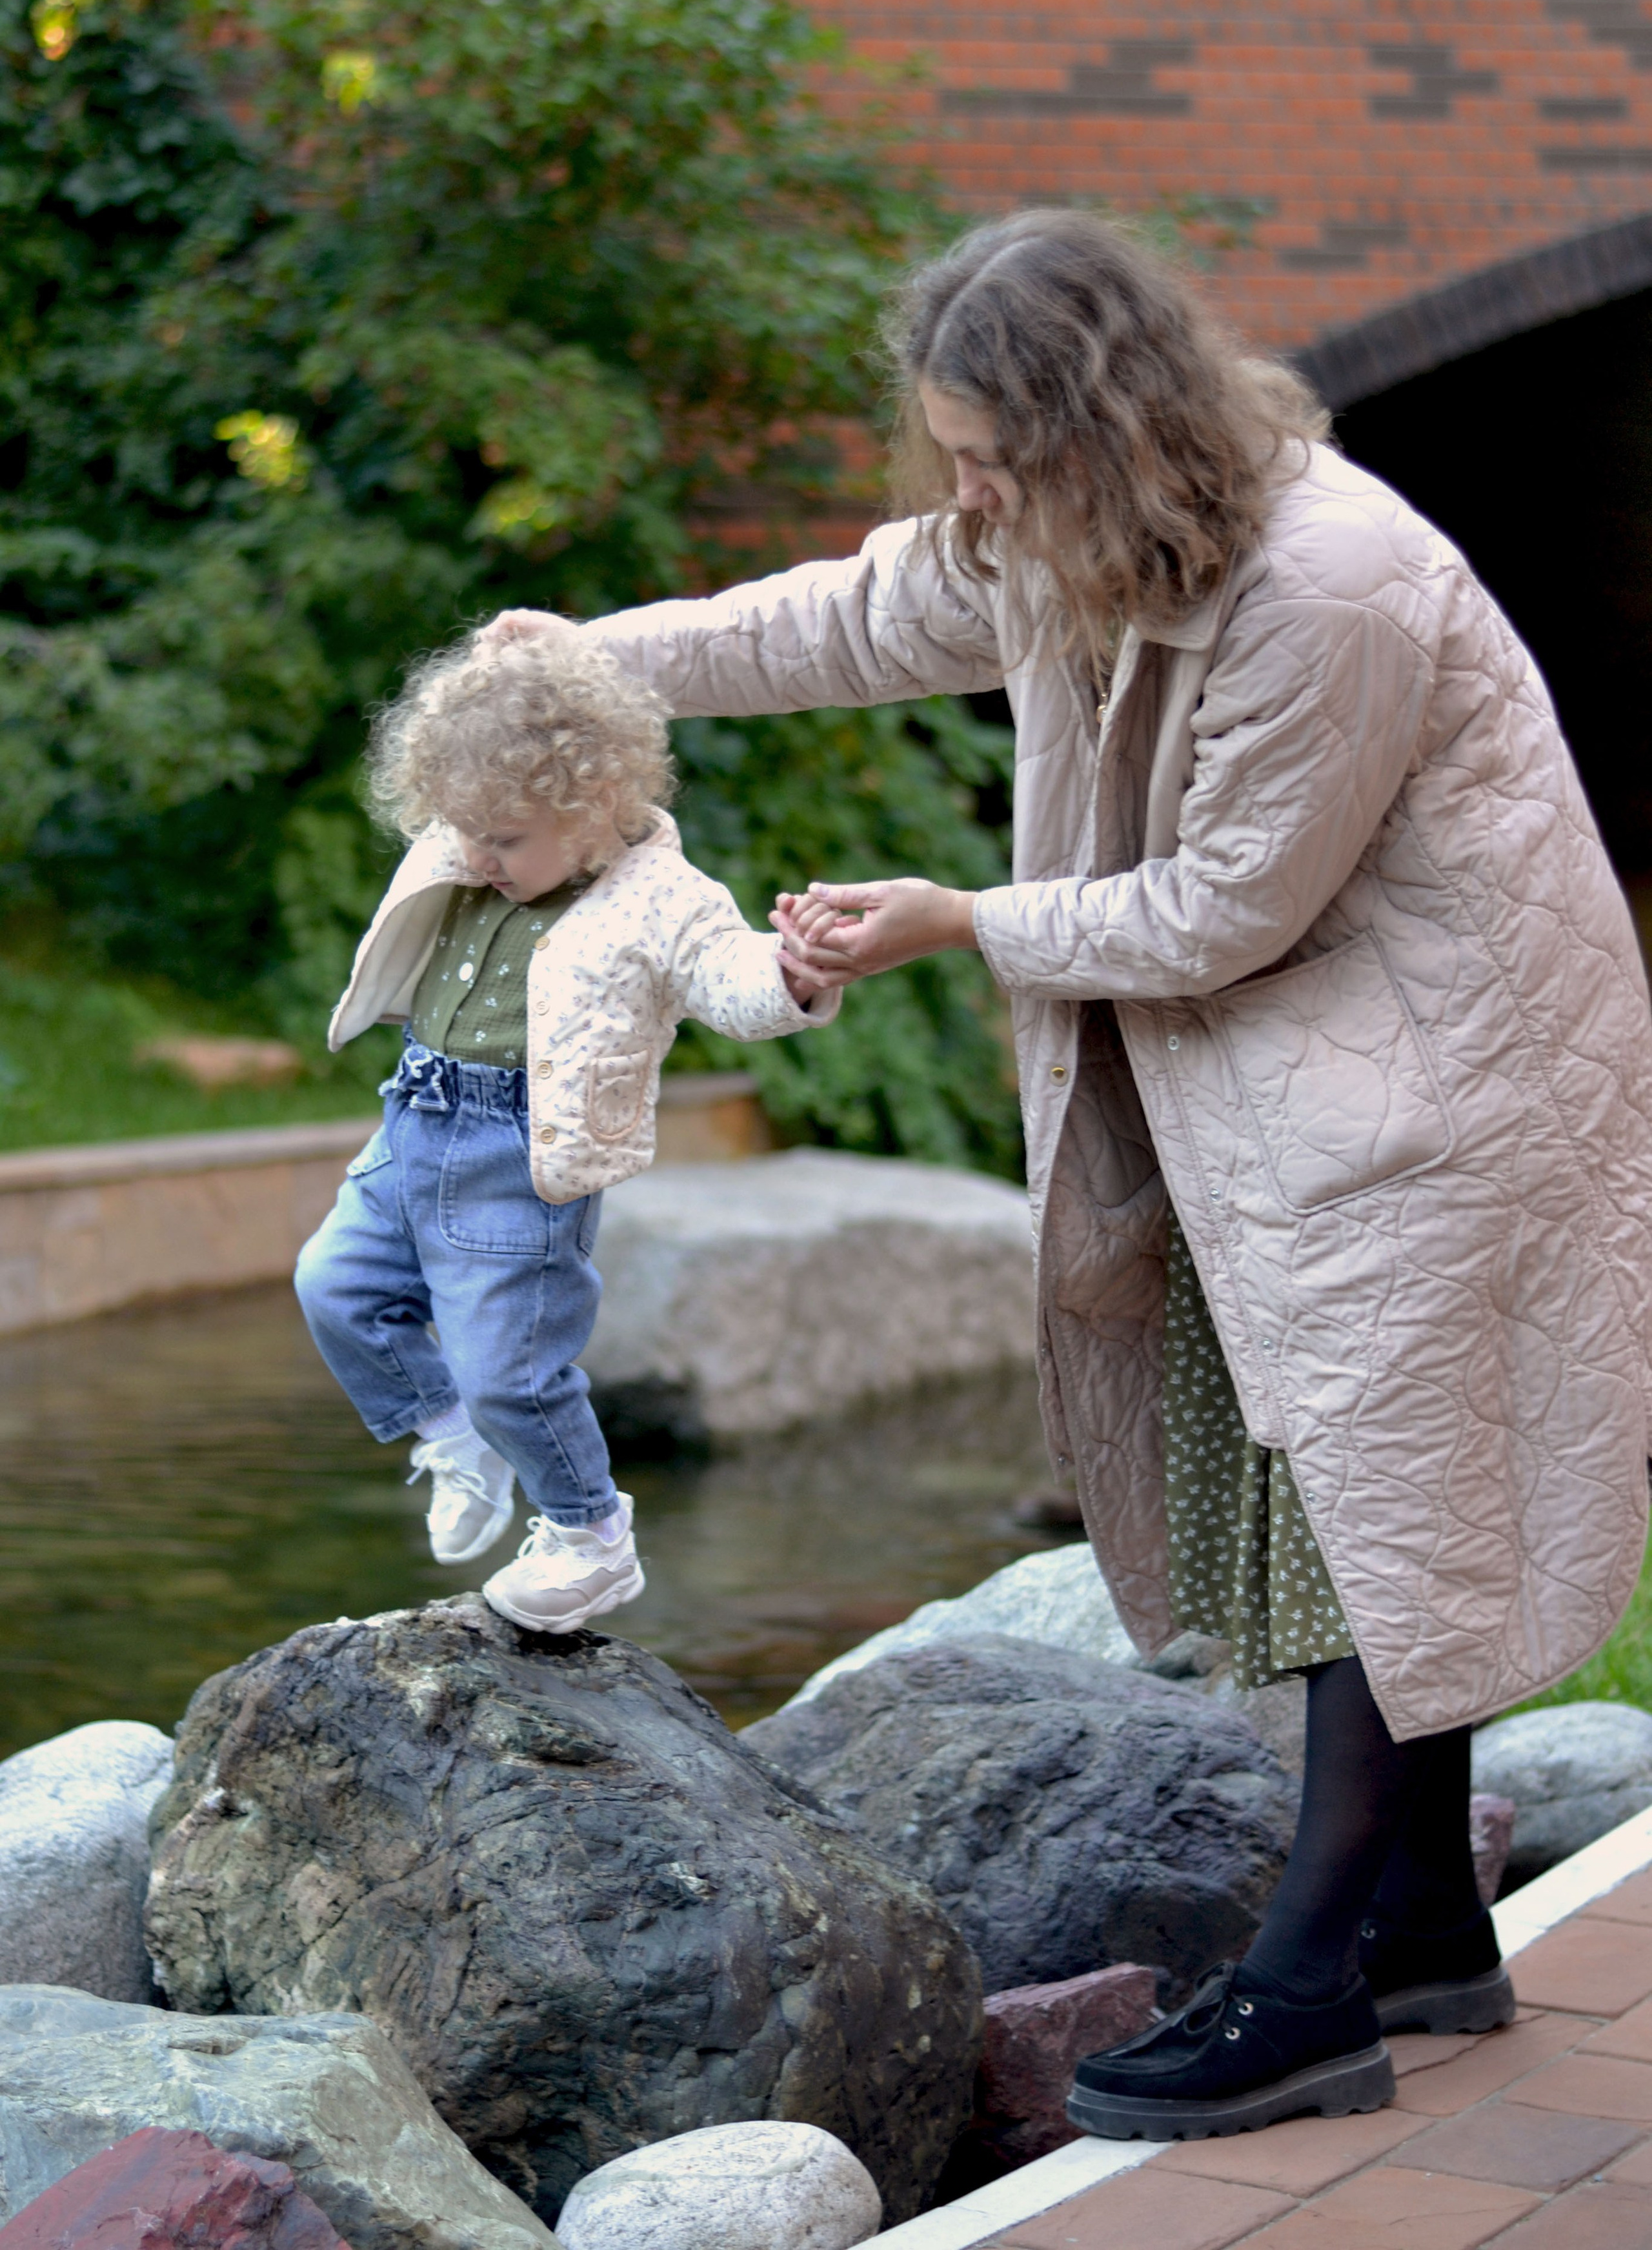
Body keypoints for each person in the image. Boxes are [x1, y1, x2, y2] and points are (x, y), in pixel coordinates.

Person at [498, 206, 1652, 2140]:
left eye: (989, 461)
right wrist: (579, 670)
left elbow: (1223, 906)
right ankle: (1430, 1924)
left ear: (1103, 432)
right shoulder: (1061, 540)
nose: (960, 499)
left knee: (1374, 1488)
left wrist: (959, 916)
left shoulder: (1334, 584)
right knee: (1341, 1481)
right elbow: (843, 617)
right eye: (947, 455)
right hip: (1293, 1068)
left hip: (1448, 1073)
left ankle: (1304, 1994)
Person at [294, 616, 836, 1633]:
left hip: (519, 1157)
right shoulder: (475, 838)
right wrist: (510, 687)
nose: (480, 857)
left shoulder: (661, 898)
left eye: (504, 840)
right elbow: (501, 734)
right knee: (333, 1286)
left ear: (597, 804)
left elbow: (730, 977)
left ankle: (591, 1537)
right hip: (415, 1115)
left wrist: (793, 969)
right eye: (466, 832)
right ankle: (450, 1437)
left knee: (513, 1371)